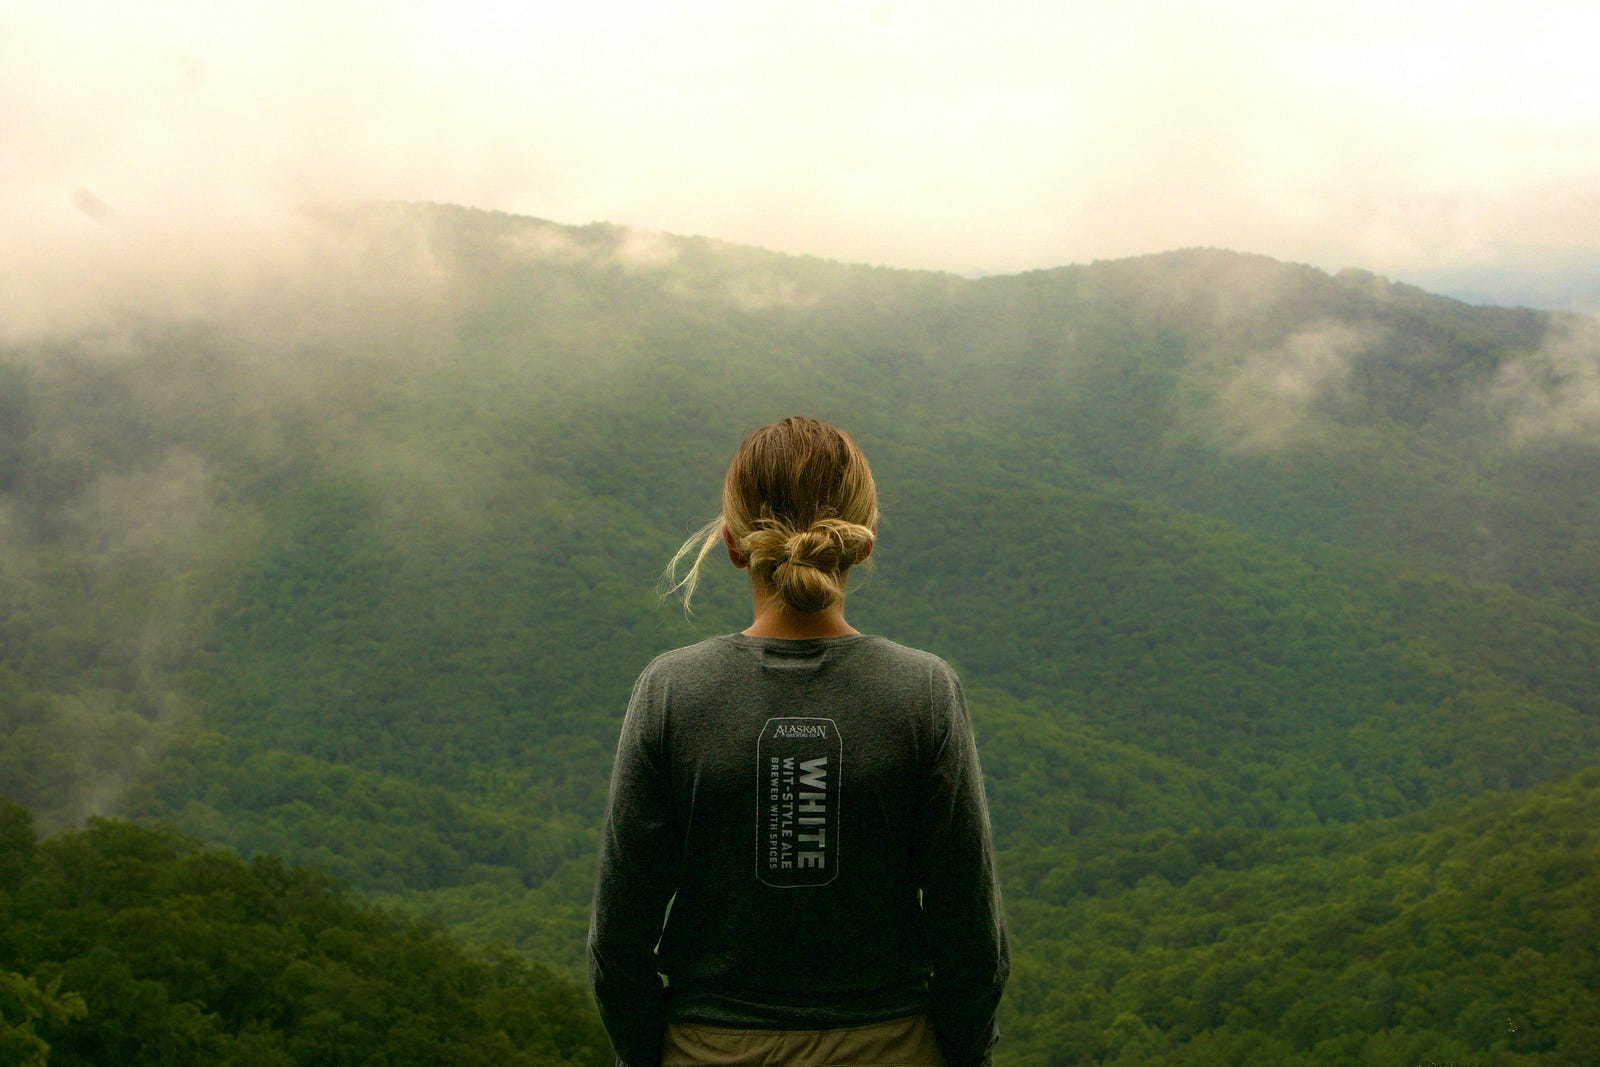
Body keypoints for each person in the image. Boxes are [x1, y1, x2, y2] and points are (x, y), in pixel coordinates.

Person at [588, 416, 1009, 1067]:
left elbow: (617, 947)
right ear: (861, 545)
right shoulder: (922, 691)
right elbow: (973, 945)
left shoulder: (672, 691)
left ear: (731, 544)